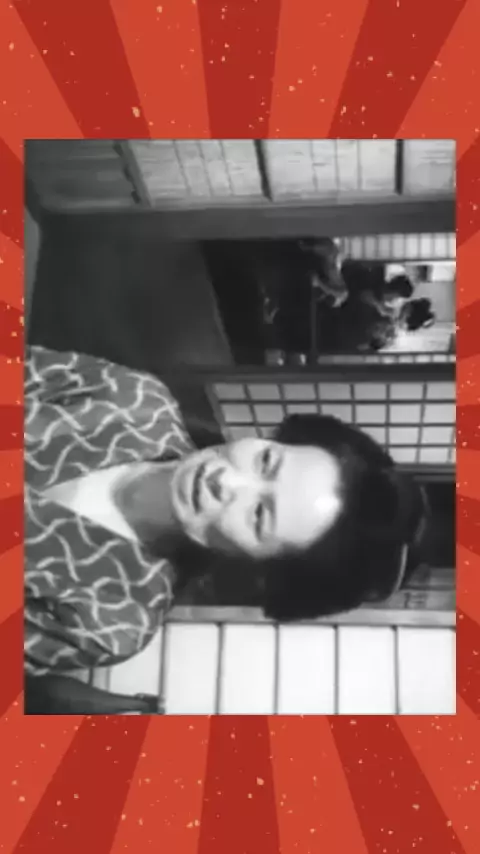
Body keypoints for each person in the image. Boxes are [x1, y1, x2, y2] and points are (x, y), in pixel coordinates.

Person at [25, 345, 428, 714]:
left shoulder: (115, 617)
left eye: (259, 516)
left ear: (259, 563)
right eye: (266, 461)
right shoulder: (137, 400)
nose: (228, 482)